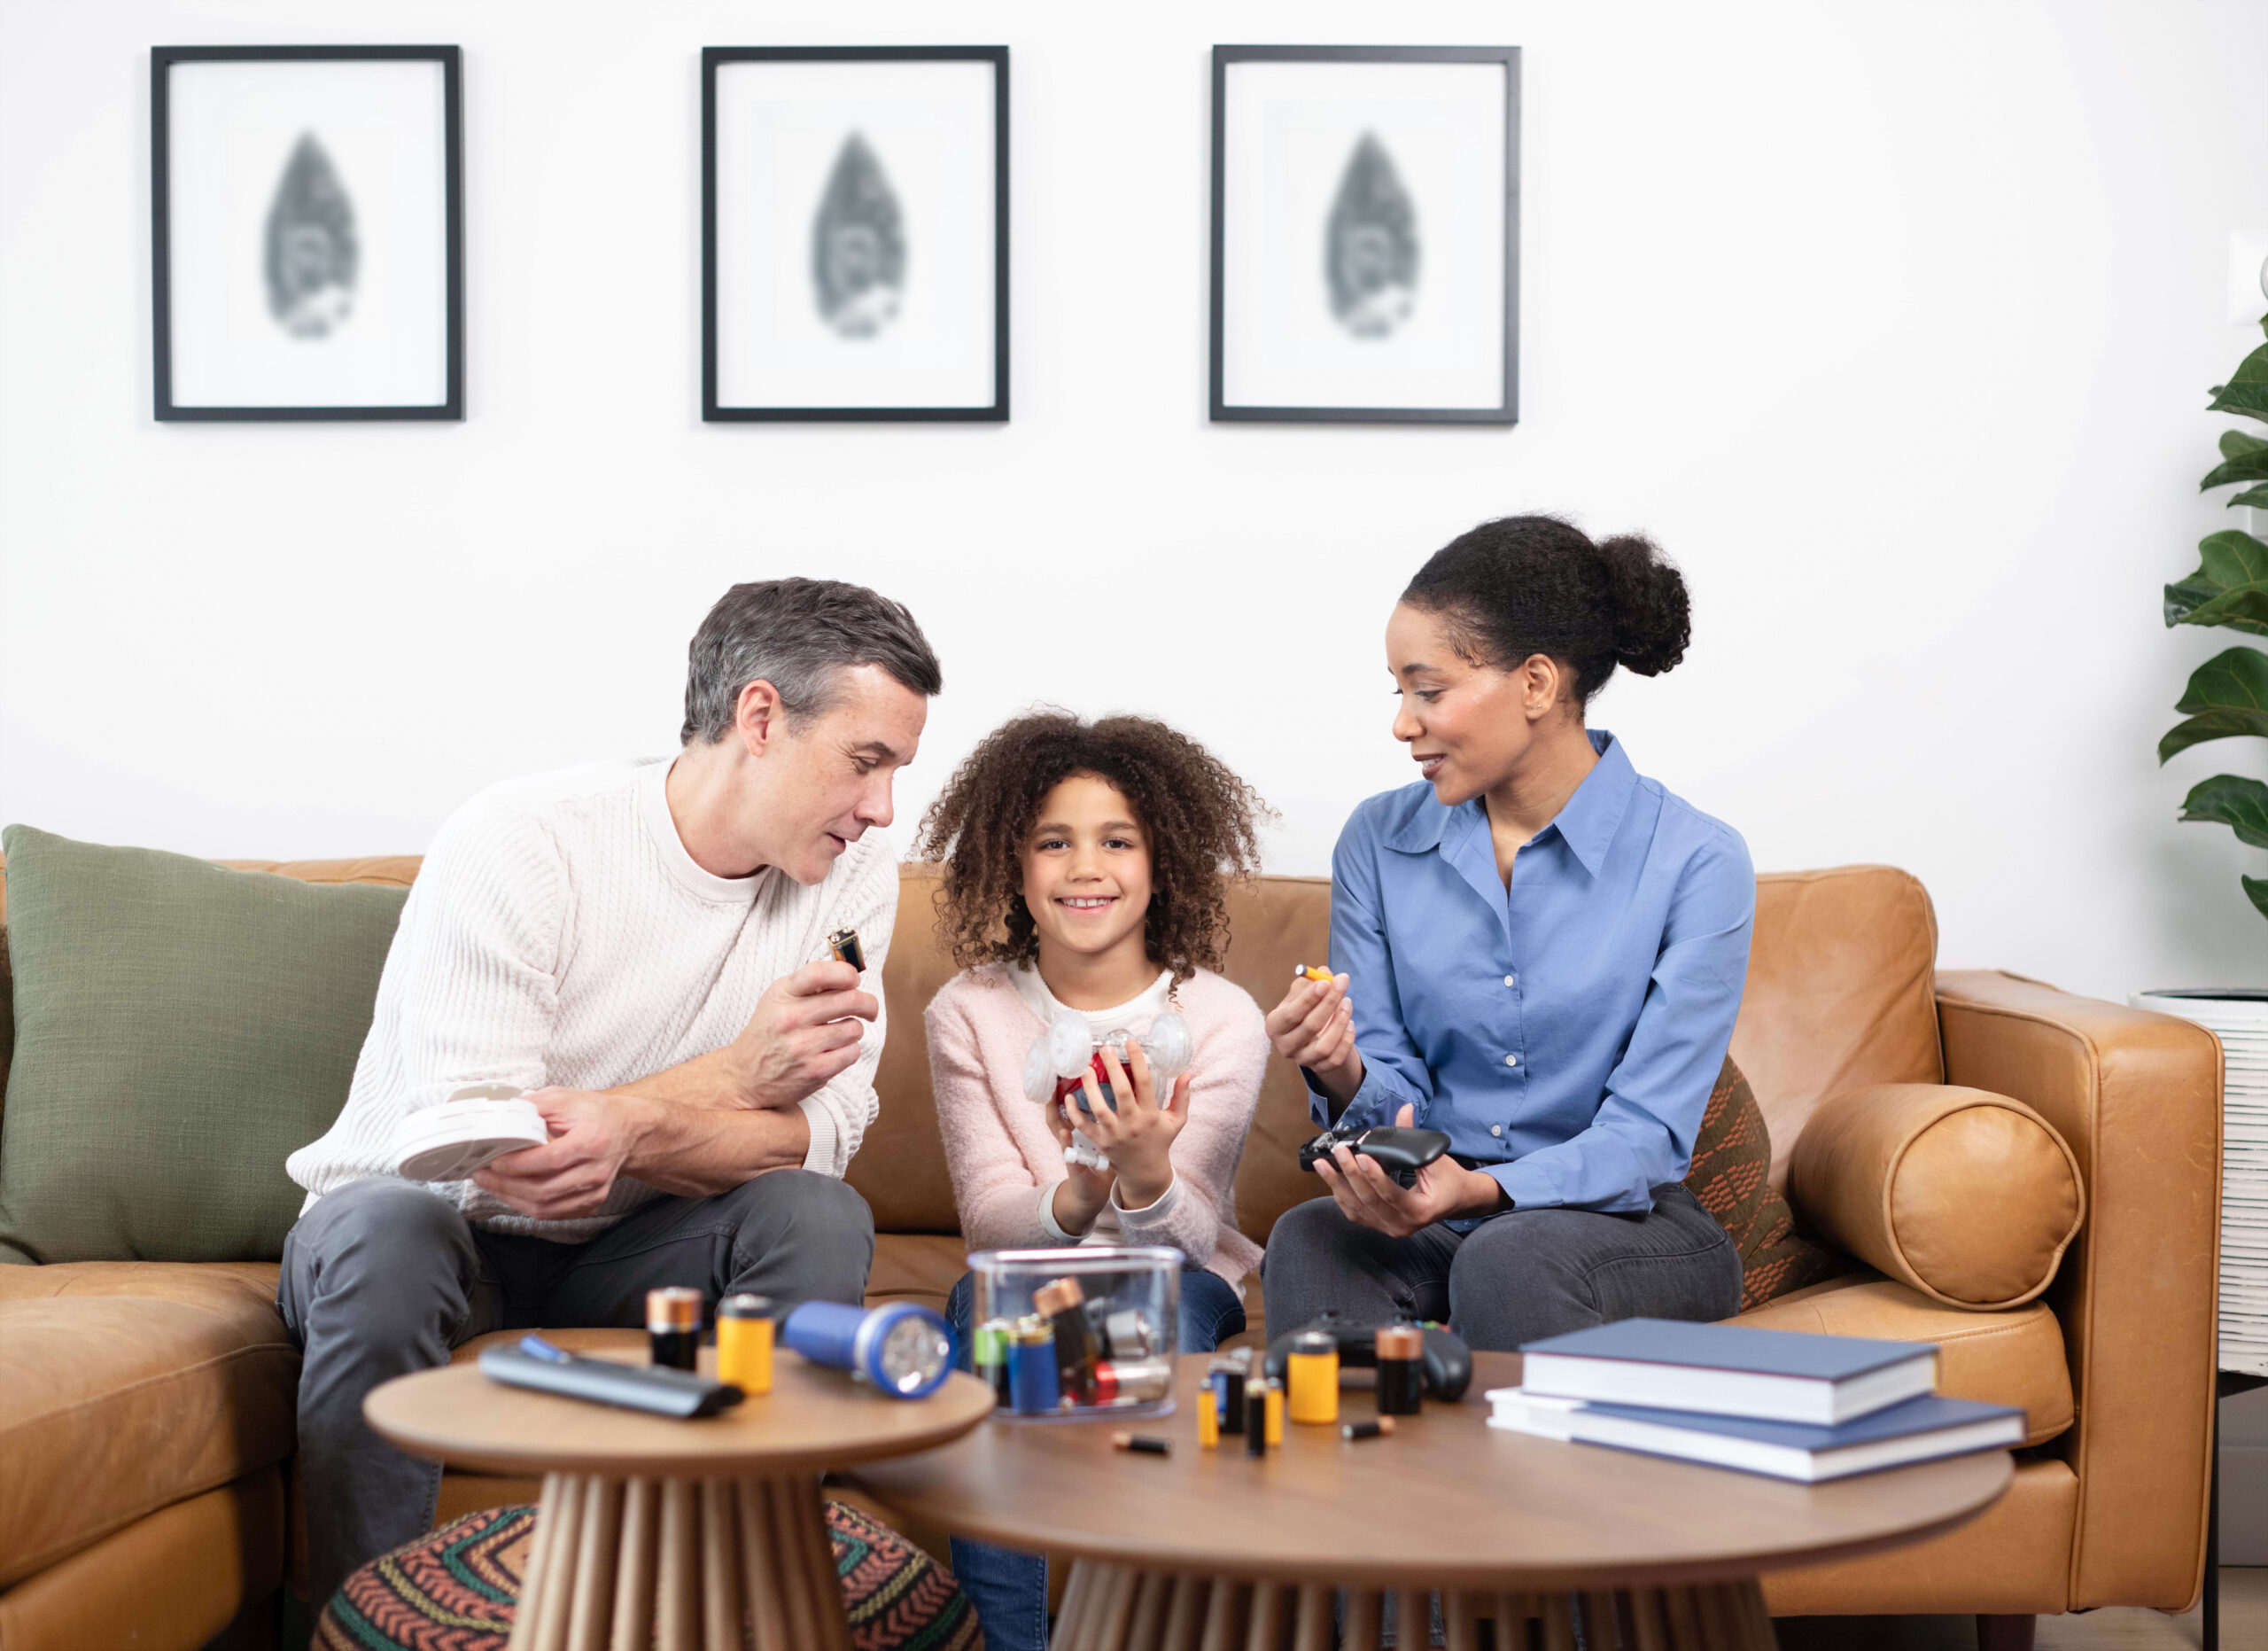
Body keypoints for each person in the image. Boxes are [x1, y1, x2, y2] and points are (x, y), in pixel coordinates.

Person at [279, 578, 941, 1613]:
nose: (881, 808)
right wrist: (729, 1080)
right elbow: (491, 1151)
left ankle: (749, 1609)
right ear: (758, 717)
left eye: (896, 771)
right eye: (867, 762)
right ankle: (358, 1626)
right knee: (386, 1237)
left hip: (633, 1252)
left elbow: (821, 1134)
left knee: (814, 1211)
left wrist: (631, 1125)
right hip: (427, 1234)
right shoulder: (529, 837)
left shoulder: (849, 878)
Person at [1262, 516, 1751, 1354]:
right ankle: (1362, 1482)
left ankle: (1520, 1487)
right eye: (1399, 693)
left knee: (1509, 1258)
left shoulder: (1697, 861)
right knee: (1310, 1238)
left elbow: (1644, 1140)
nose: (1403, 724)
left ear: (1535, 685)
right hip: (1443, 1203)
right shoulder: (1378, 843)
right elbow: (1397, 1088)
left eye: (1429, 689)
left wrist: (1480, 1191)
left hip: (1627, 1224)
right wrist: (1339, 1065)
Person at [914, 712, 1271, 1651]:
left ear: (1161, 864)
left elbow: (1189, 1246)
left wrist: (1148, 1170)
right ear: (1012, 865)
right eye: (1053, 843)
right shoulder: (970, 1011)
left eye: (1118, 841)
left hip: (1181, 1276)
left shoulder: (1220, 1017)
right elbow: (994, 1230)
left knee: (1151, 1322)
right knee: (992, 1322)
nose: (1086, 869)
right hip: (1026, 1269)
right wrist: (1082, 1182)